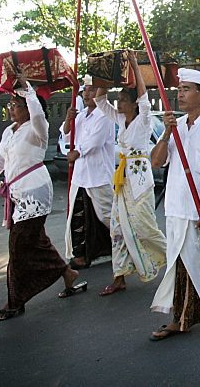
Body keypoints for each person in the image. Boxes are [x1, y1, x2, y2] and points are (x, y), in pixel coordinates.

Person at [0, 72, 86, 321]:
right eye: (11, 104)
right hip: (16, 195)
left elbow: (38, 113)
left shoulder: (37, 129)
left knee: (19, 247)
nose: (12, 109)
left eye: (17, 105)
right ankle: (67, 274)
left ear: (28, 108)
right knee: (37, 242)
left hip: (35, 193)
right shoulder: (10, 132)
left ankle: (15, 300)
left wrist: (28, 90)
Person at [149, 68, 200, 340]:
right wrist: (168, 134)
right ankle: (183, 318)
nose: (180, 94)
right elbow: (156, 162)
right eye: (179, 89)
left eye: (187, 89)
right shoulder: (177, 127)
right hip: (176, 209)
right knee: (182, 266)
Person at [94, 52, 167, 297]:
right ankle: (119, 276)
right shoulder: (121, 119)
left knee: (144, 226)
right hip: (122, 181)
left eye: (124, 99)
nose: (119, 103)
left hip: (139, 178)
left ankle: (174, 258)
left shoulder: (143, 119)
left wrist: (135, 65)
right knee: (117, 228)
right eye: (120, 99)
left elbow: (145, 98)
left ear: (134, 103)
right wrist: (101, 80)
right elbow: (101, 103)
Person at [61, 77, 116, 271]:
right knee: (79, 217)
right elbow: (67, 136)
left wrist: (77, 152)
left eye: (91, 90)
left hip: (98, 176)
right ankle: (82, 255)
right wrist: (69, 120)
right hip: (80, 176)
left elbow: (95, 142)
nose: (86, 93)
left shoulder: (106, 114)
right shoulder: (81, 115)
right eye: (85, 90)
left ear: (102, 92)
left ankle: (128, 247)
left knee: (109, 217)